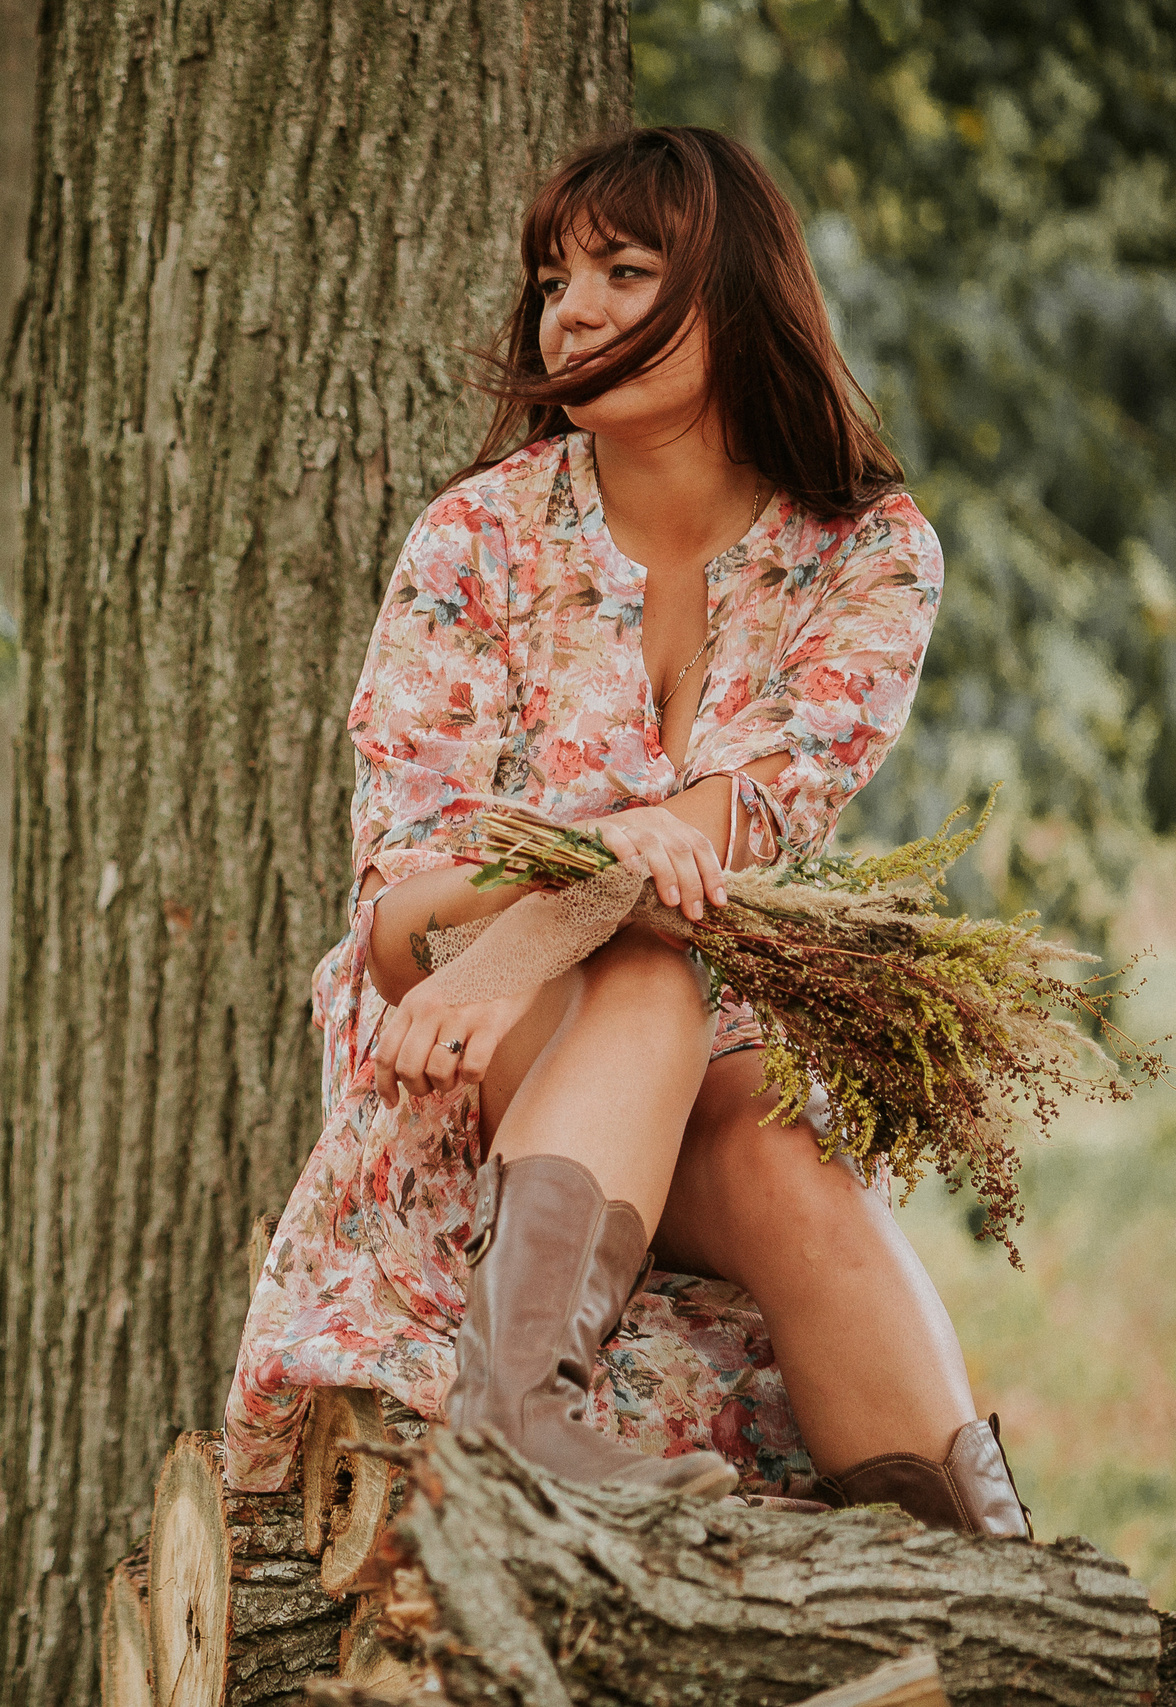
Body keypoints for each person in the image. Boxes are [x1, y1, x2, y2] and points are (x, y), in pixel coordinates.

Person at [223, 125, 1029, 1535]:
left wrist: (582, 880)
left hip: (709, 1065)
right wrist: (526, 937)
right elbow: (404, 919)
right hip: (469, 1048)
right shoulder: (477, 541)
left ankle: (984, 1588)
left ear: (738, 292)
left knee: (787, 1141)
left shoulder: (870, 557)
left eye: (623, 269)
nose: (571, 311)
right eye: (552, 281)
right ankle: (513, 1419)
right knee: (650, 962)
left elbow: (727, 839)